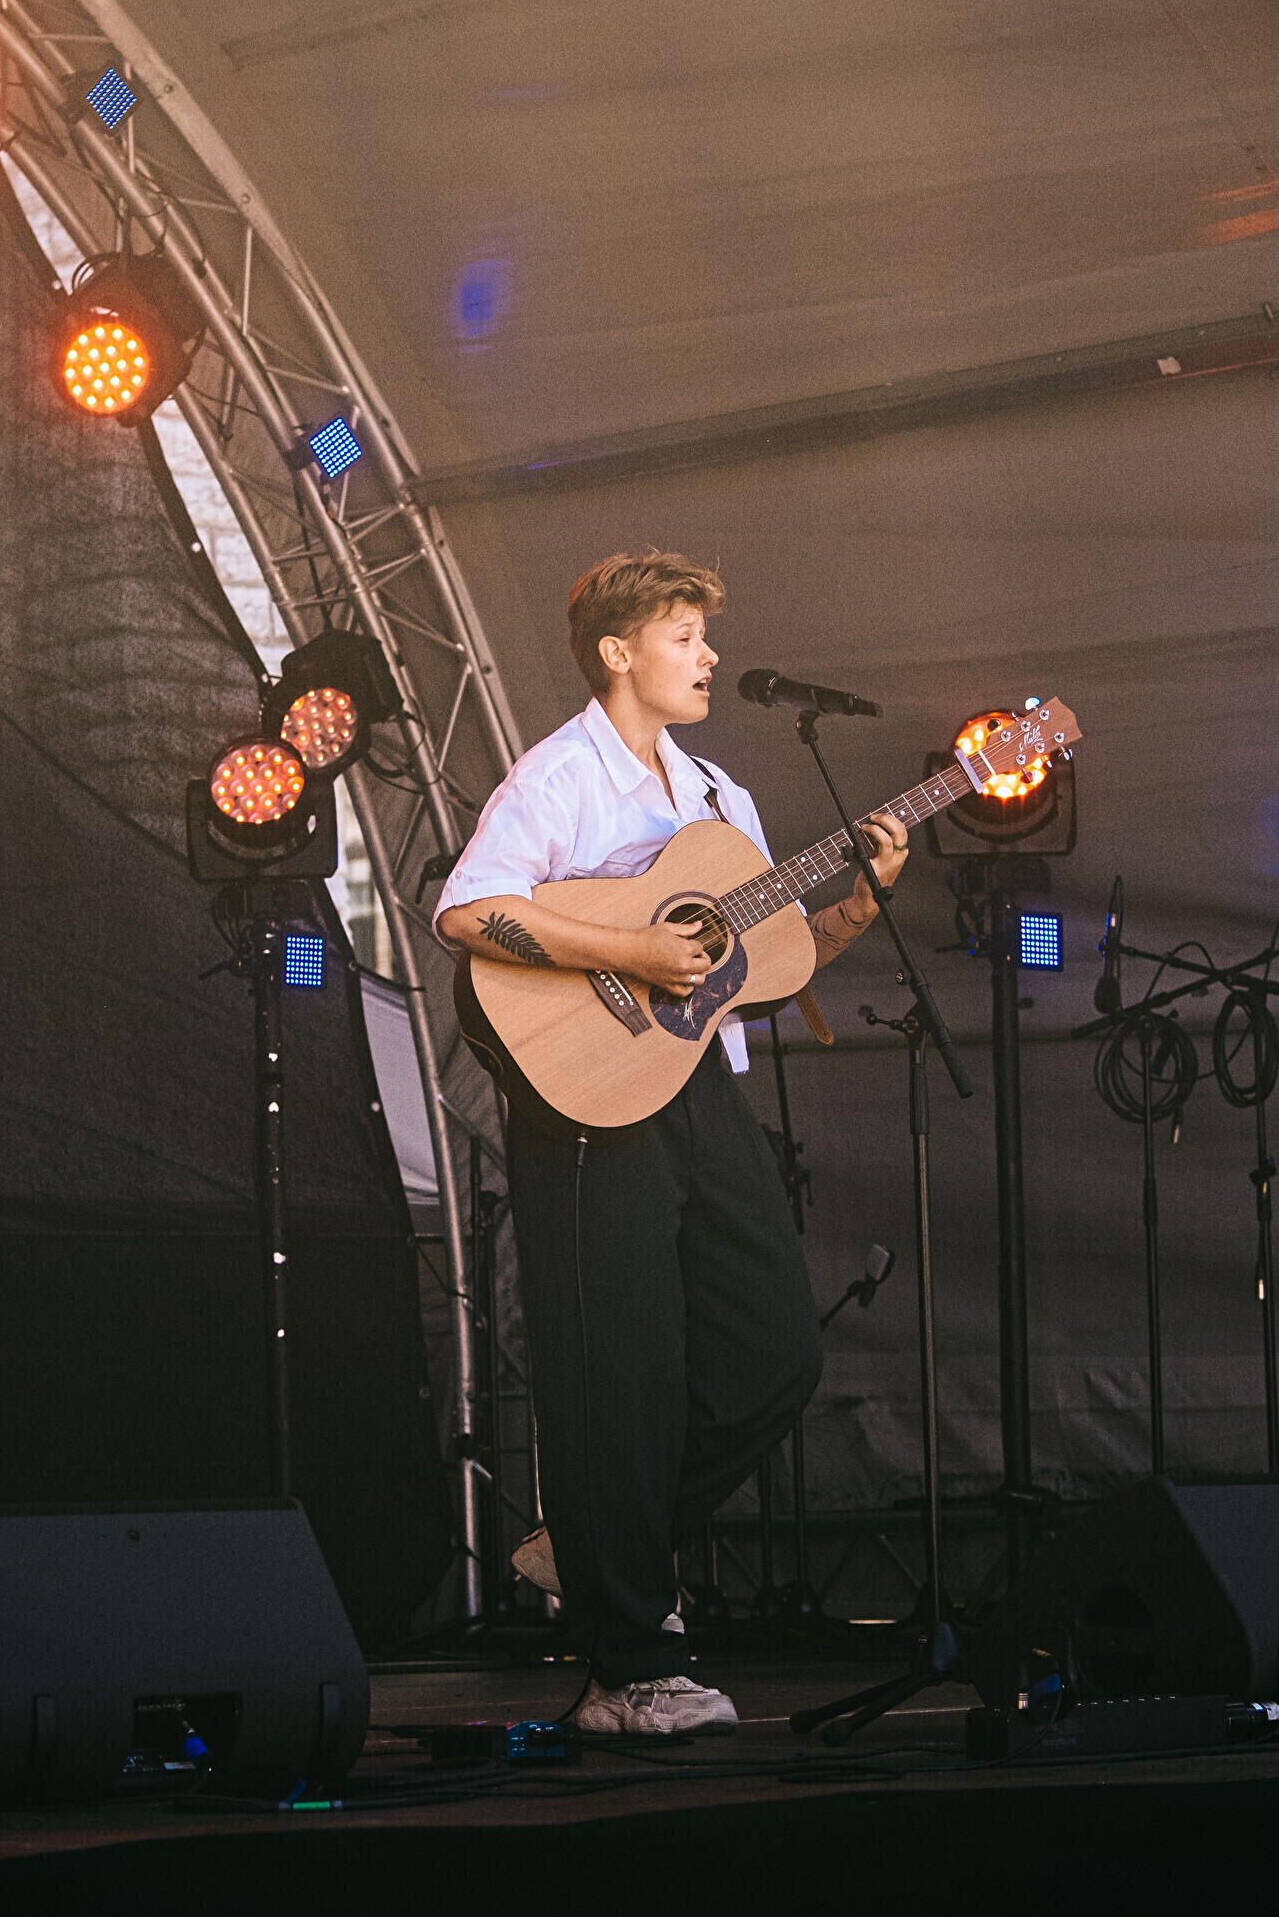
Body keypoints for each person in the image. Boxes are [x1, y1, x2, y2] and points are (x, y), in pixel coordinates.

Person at [437, 549, 907, 1736]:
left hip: (698, 1088)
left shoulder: (720, 799)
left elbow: (761, 967)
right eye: (685, 635)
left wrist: (857, 904)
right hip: (586, 1097)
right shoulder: (560, 775)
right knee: (621, 1372)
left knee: (775, 1352)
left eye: (704, 635)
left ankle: (596, 1543)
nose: (707, 655)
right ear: (618, 651)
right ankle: (631, 1668)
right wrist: (630, 950)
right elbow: (468, 909)